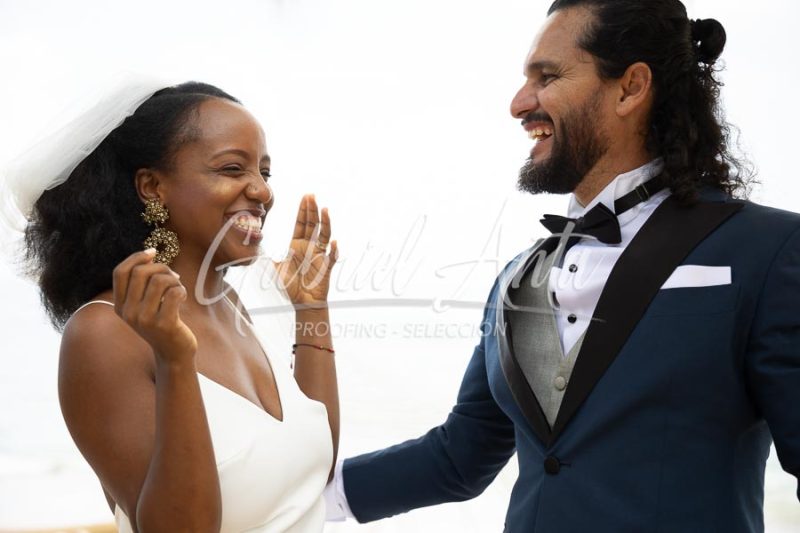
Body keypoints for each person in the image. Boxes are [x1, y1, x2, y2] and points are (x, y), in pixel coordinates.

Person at [325, 1, 800, 531]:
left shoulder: (771, 250)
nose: (518, 103)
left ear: (630, 87)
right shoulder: (515, 277)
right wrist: (292, 498)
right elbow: (461, 455)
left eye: (546, 77)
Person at [5, 80, 340, 532]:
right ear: (152, 186)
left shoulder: (230, 306)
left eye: (264, 172)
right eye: (232, 169)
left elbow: (312, 473)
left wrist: (312, 312)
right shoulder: (106, 333)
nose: (261, 191)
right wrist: (175, 361)